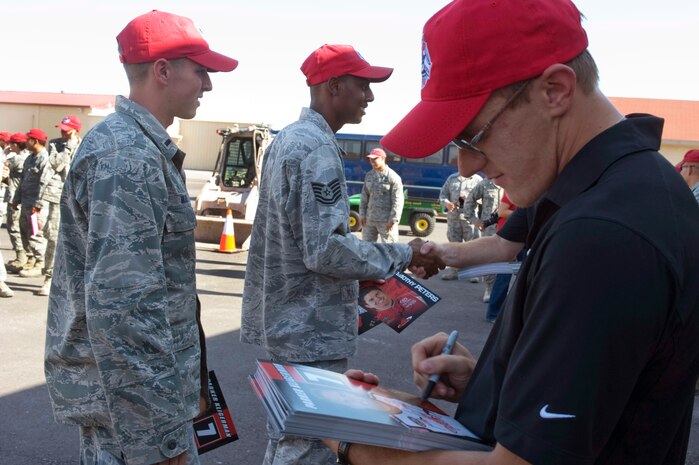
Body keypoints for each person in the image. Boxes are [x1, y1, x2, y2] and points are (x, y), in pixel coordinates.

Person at [322, 0, 699, 464]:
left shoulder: (601, 234)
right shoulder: (629, 190)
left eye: (472, 137)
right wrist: (491, 384)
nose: (466, 165)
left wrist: (352, 439)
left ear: (555, 91)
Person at [43, 10, 238, 465]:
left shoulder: (137, 147)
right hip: (133, 415)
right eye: (201, 71)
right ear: (163, 71)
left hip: (139, 401)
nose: (208, 85)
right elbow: (124, 308)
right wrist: (160, 436)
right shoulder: (126, 157)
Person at [240, 43, 443, 465]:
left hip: (286, 322)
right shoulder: (315, 148)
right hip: (307, 328)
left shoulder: (288, 140)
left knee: (289, 439)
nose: (369, 96)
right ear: (333, 87)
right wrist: (403, 254)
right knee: (313, 445)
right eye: (363, 85)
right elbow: (326, 251)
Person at [35, 116, 82, 295]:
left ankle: (71, 281)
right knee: (52, 236)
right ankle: (49, 277)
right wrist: (68, 146)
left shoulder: (84, 144)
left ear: (75, 131)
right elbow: (56, 164)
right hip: (55, 196)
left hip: (76, 198)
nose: (62, 133)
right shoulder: (56, 144)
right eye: (61, 129)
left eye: (66, 130)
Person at [10, 128, 50, 279]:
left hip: (36, 205)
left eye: (28, 139)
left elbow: (44, 183)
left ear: (35, 141)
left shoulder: (44, 159)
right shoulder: (30, 158)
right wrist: (16, 199)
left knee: (36, 233)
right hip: (26, 202)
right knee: (25, 232)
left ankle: (40, 263)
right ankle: (31, 259)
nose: (25, 142)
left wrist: (38, 204)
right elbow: (23, 181)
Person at [482, 192, 520, 323]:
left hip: (523, 238)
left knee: (526, 276)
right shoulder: (513, 188)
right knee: (503, 276)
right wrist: (525, 215)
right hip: (509, 238)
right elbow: (502, 212)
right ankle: (493, 314)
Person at [438, 169, 482, 280]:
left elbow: (484, 199)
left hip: (469, 220)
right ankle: (453, 271)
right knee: (453, 245)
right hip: (454, 219)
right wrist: (446, 203)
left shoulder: (477, 180)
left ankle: (473, 273)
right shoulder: (452, 178)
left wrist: (470, 199)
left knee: (472, 246)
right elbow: (442, 195)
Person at [464, 178, 501, 302]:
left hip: (509, 227)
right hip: (489, 229)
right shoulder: (485, 184)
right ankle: (489, 289)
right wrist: (474, 220)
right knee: (489, 259)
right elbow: (469, 200)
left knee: (511, 261)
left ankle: (509, 292)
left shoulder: (511, 181)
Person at [359, 148, 404, 243]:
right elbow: (364, 197)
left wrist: (393, 219)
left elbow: (398, 201)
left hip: (386, 221)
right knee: (366, 249)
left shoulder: (393, 177)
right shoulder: (369, 175)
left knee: (390, 250)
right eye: (370, 159)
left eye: (375, 159)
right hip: (370, 220)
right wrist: (362, 215)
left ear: (383, 158)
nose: (372, 162)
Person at [3, 132, 31, 272]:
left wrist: (4, 153)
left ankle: (21, 256)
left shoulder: (17, 158)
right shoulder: (27, 157)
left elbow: (4, 167)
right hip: (21, 196)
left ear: (15, 144)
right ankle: (23, 256)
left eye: (11, 144)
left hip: (14, 196)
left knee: (13, 227)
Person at [358, 282, 428, 330]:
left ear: (383, 292)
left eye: (377, 294)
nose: (377, 298)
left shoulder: (410, 295)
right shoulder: (378, 321)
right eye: (371, 300)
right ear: (368, 306)